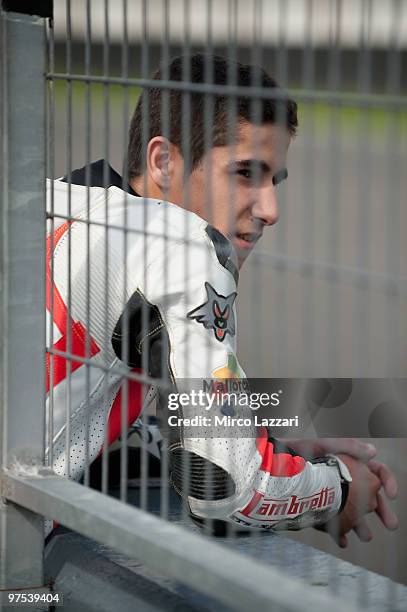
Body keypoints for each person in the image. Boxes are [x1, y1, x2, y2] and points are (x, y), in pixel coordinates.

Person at [46, 53, 398, 544]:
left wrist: (266, 446)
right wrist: (338, 487)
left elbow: (107, 423)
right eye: (245, 173)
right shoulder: (179, 244)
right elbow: (223, 486)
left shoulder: (59, 199)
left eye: (274, 179)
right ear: (164, 162)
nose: (271, 209)